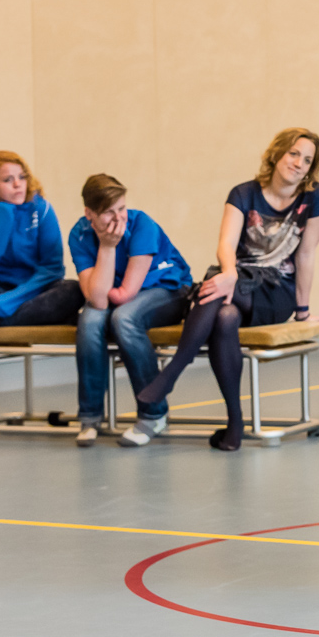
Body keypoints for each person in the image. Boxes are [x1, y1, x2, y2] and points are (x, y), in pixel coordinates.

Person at [137, 128, 319, 451]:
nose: (299, 164)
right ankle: (235, 424)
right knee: (225, 316)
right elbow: (226, 243)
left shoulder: (316, 198)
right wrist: (229, 273)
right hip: (238, 283)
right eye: (294, 154)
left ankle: (173, 372)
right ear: (278, 153)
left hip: (276, 291)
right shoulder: (243, 193)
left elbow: (306, 253)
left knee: (215, 288)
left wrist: (303, 312)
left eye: (307, 160)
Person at [68, 175, 193, 448]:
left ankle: (153, 413)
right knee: (89, 321)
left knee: (124, 319)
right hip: (115, 292)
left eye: (121, 209)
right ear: (89, 214)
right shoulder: (79, 234)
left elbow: (125, 294)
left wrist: (101, 287)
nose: (118, 219)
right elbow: (98, 302)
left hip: (167, 290)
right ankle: (90, 417)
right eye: (108, 213)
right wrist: (107, 246)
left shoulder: (142, 225)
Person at [0, 151, 82, 328]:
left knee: (73, 291)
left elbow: (53, 269)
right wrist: (4, 214)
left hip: (35, 288)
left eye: (22, 177)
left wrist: (12, 299)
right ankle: (44, 317)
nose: (18, 185)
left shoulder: (41, 208)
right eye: (7, 180)